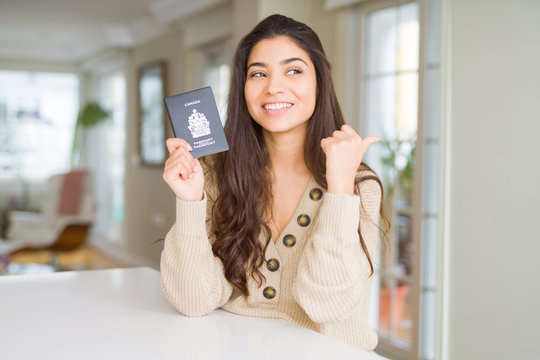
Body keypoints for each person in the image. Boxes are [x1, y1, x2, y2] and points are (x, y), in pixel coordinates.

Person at [161, 14, 388, 354]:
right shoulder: (213, 173)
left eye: (293, 70)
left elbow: (329, 307)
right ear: (243, 88)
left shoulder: (359, 184)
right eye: (258, 74)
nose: (274, 87)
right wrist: (191, 201)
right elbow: (193, 301)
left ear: (319, 82)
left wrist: (340, 188)